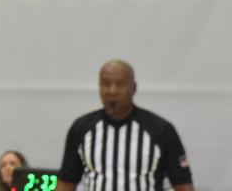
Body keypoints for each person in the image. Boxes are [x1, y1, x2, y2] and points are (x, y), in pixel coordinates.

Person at [56, 60, 194, 191]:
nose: (112, 91)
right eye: (105, 84)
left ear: (133, 88)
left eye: (120, 84)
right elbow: (66, 184)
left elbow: (183, 186)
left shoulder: (161, 130)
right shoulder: (81, 128)